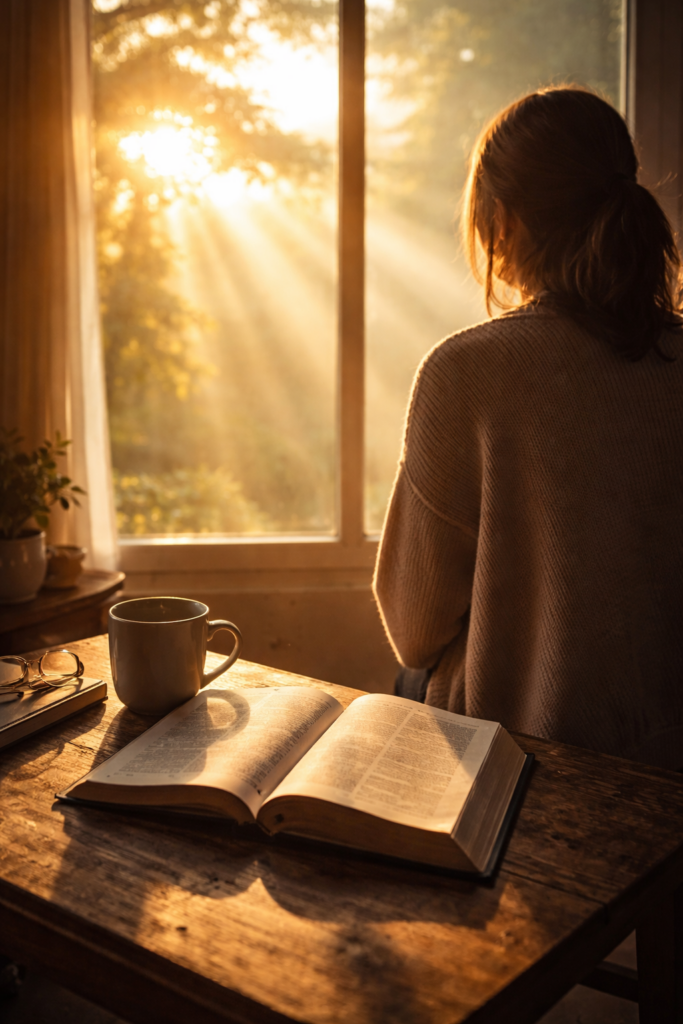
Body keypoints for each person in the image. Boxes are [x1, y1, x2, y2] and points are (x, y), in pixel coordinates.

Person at [373, 86, 683, 768]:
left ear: (503, 222)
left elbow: (414, 629)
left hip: (520, 762)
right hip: (667, 758)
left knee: (401, 688)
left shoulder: (466, 372)